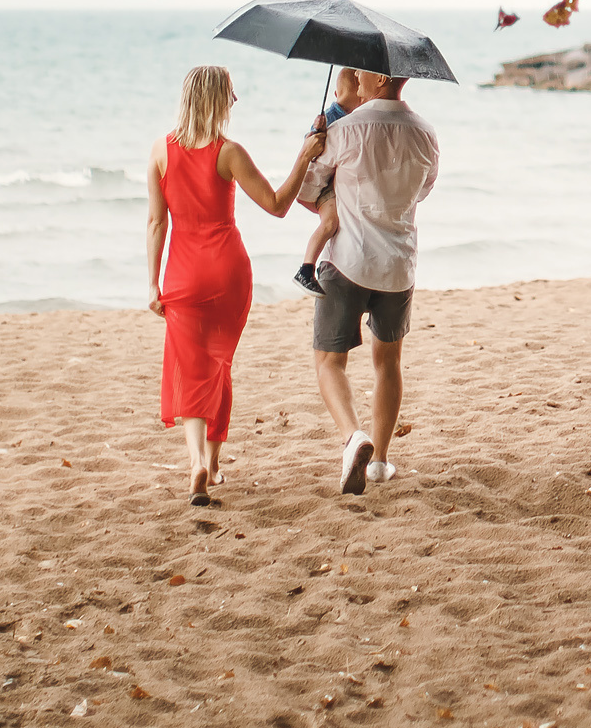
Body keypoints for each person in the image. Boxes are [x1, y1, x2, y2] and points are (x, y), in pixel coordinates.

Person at [147, 65, 323, 505]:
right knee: (218, 365)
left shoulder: (160, 151)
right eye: (230, 93)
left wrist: (152, 284)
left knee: (191, 368)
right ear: (214, 99)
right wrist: (304, 157)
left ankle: (196, 463)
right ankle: (213, 463)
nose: (236, 100)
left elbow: (156, 222)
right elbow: (277, 205)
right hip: (228, 272)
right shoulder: (228, 153)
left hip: (182, 274)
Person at [309, 68, 438, 494]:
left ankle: (353, 436)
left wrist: (315, 146)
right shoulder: (426, 133)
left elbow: (309, 189)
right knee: (388, 363)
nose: (354, 75)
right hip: (397, 266)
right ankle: (380, 461)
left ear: (381, 78)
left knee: (329, 361)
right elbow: (422, 191)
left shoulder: (345, 129)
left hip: (347, 260)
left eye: (362, 69)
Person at [293, 68, 367, 296]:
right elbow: (311, 144)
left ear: (336, 93)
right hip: (323, 187)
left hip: (327, 183)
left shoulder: (333, 114)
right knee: (330, 223)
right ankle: (306, 268)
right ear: (361, 96)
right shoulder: (337, 119)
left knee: (338, 222)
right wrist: (316, 131)